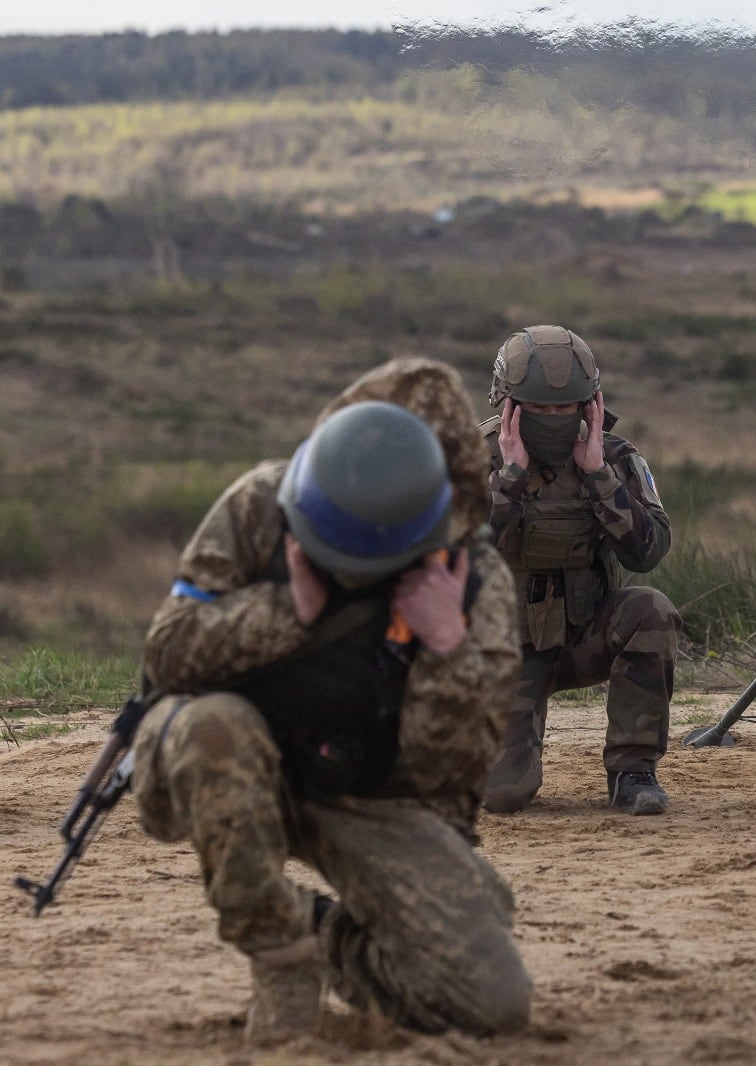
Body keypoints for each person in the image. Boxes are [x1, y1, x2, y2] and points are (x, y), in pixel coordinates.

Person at [130, 359, 529, 1045]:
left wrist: (447, 646)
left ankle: (322, 934)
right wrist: (289, 610)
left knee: (489, 1003)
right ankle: (281, 956)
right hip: (233, 761)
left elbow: (447, 770)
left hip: (369, 791)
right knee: (213, 726)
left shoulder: (473, 582)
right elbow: (167, 652)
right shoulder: (260, 506)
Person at [478, 325, 681, 816]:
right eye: (540, 409)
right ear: (509, 405)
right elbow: (448, 556)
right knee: (504, 795)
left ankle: (633, 769)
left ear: (589, 404)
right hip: (502, 651)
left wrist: (598, 478)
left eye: (564, 409)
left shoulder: (614, 456)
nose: (554, 419)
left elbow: (647, 553)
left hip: (582, 635)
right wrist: (508, 480)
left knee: (650, 611)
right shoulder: (469, 458)